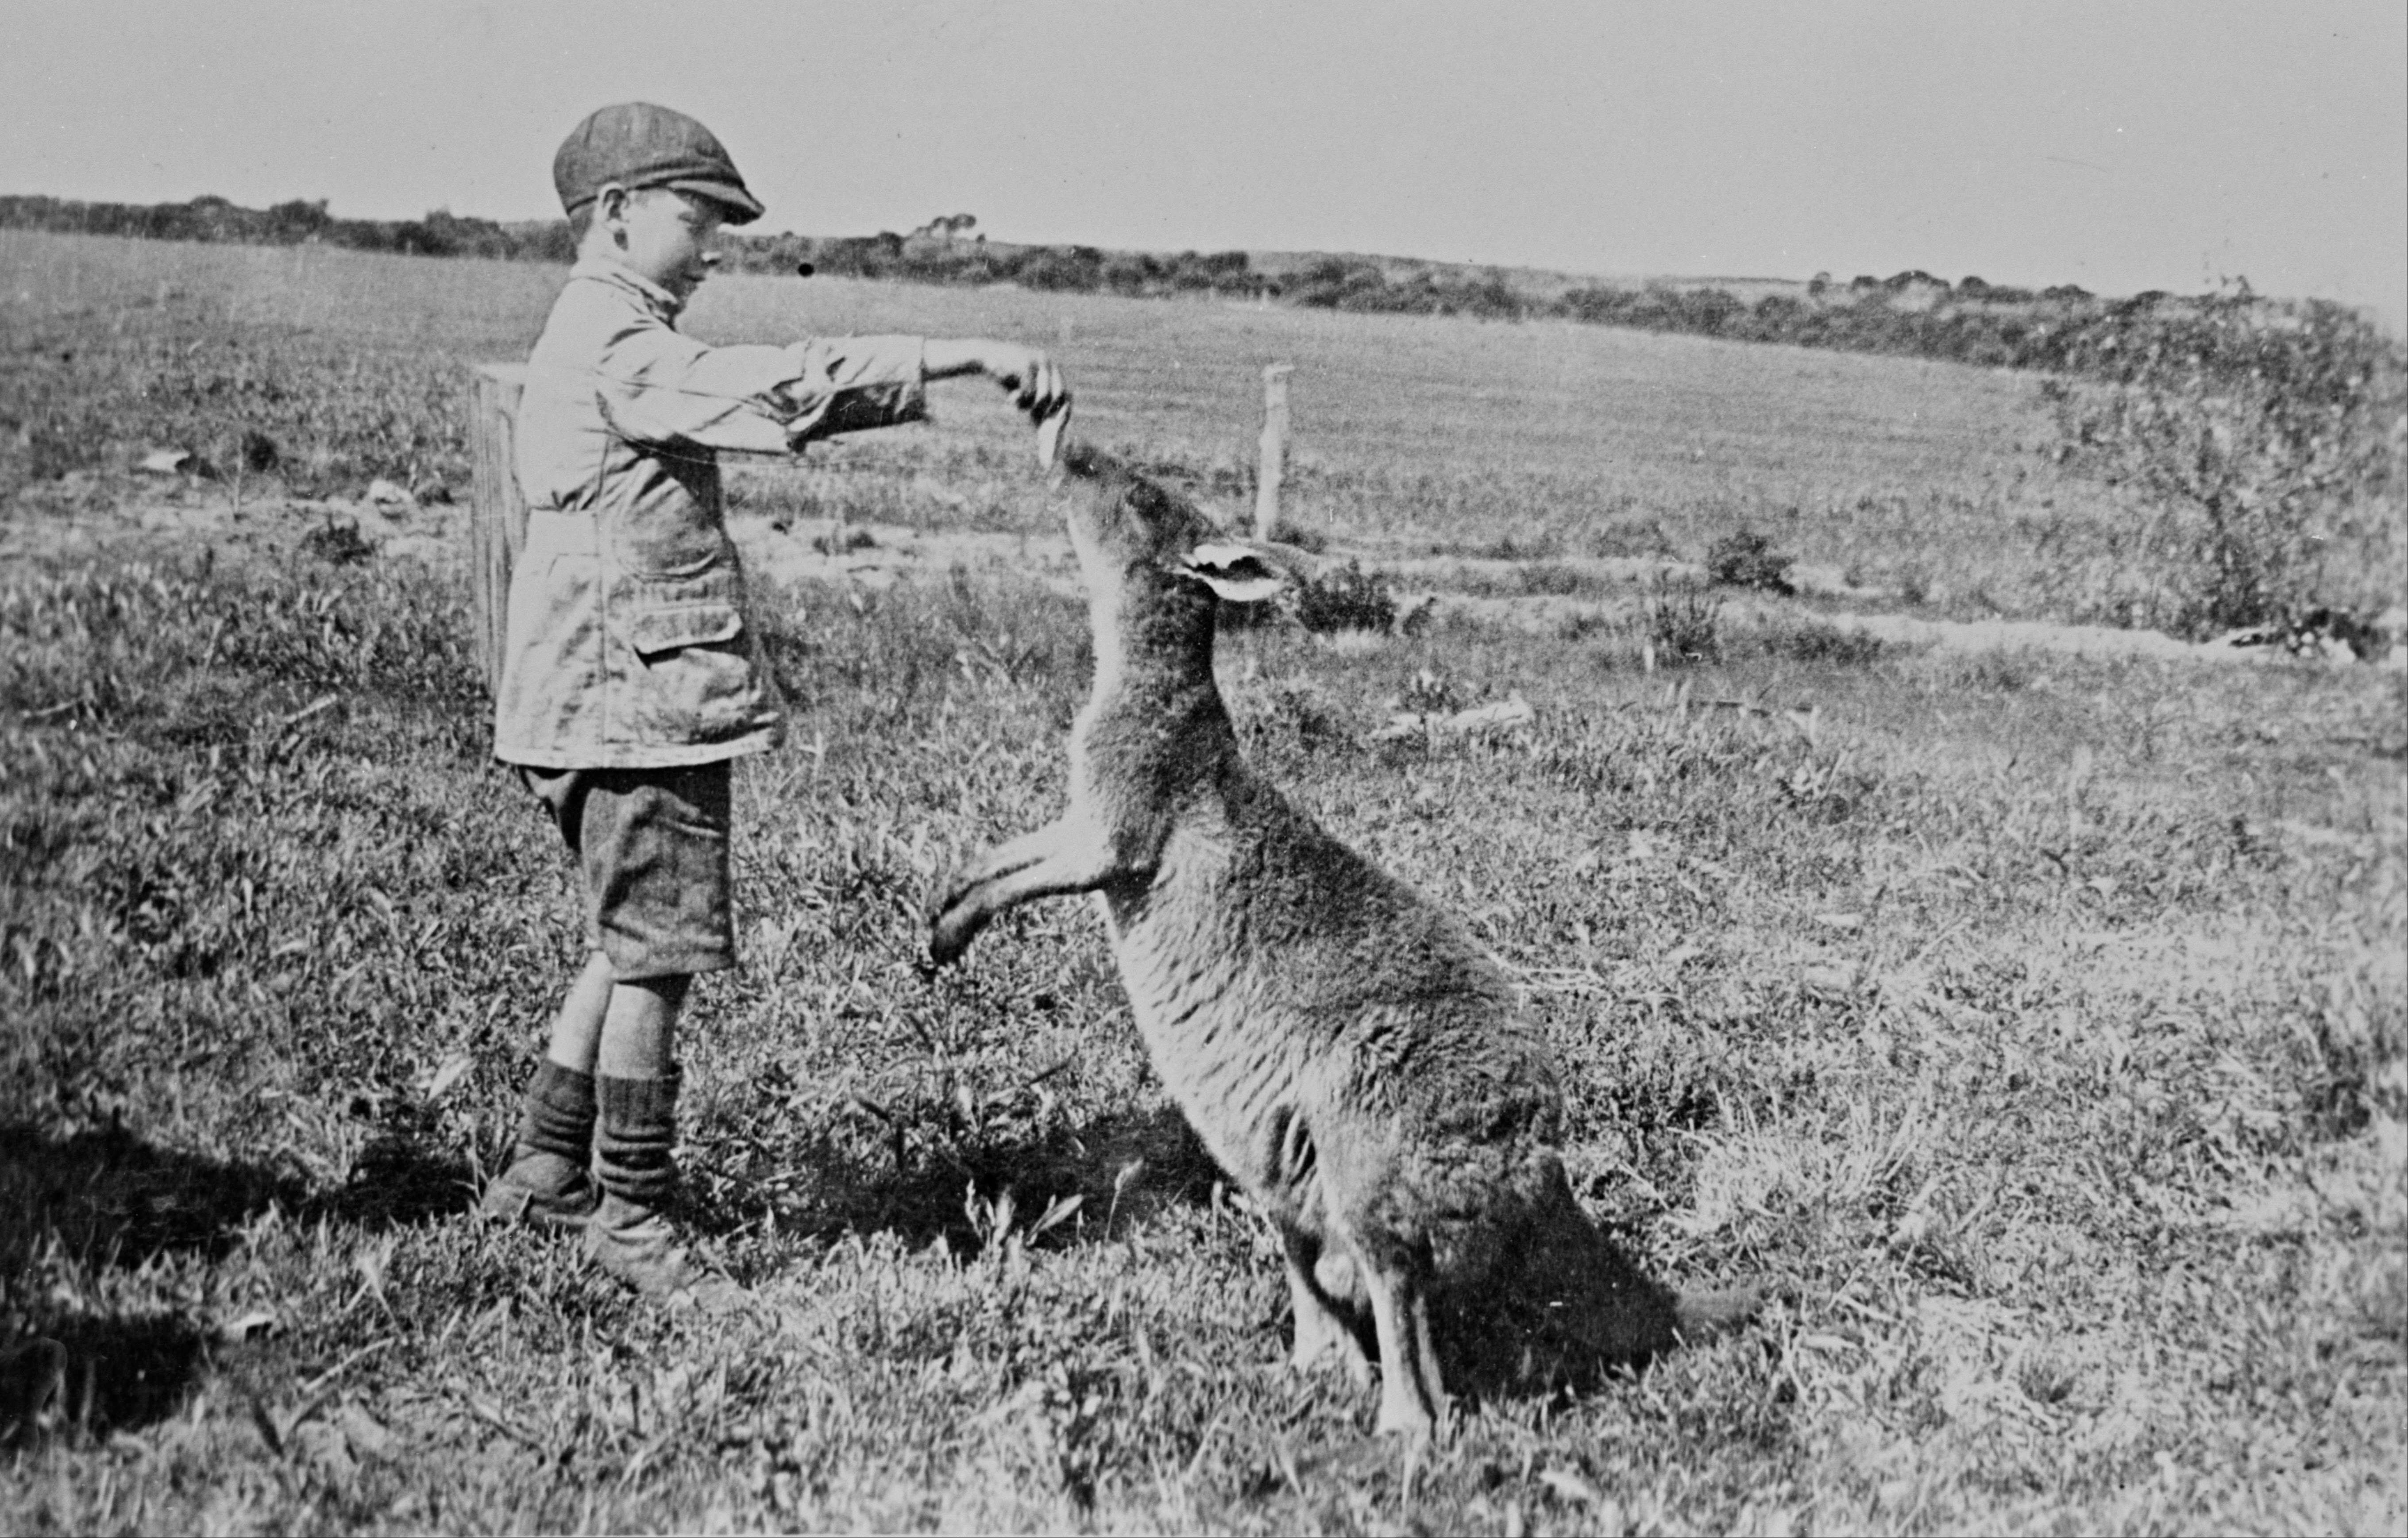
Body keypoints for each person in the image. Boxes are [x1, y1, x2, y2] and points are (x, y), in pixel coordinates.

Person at [477, 102, 1069, 1305]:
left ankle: (546, 1168)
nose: (712, 250)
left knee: (624, 938)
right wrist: (952, 354)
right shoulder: (622, 345)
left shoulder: (590, 328)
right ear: (619, 215)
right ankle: (630, 1217)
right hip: (633, 706)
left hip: (590, 697)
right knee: (657, 959)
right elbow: (772, 391)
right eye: (697, 221)